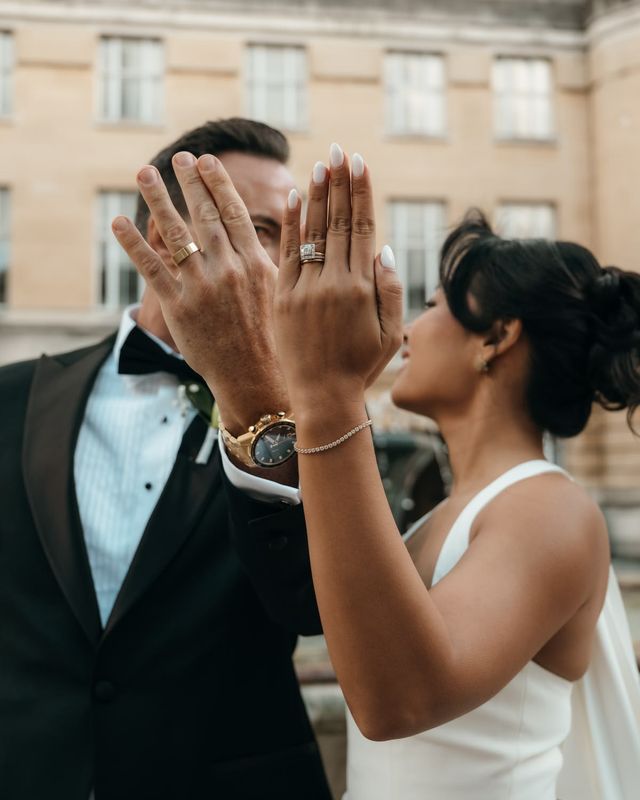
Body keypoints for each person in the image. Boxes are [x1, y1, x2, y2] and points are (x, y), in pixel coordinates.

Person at [265, 147, 638, 798]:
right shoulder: (447, 512)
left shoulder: (549, 509)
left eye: (435, 304)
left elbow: (397, 701)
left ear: (495, 338)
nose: (408, 328)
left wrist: (328, 386)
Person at [0, 119, 332, 800]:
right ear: (163, 239)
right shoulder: (11, 399)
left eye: (288, 239)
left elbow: (311, 606)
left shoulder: (325, 416)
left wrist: (254, 392)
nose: (278, 263)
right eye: (257, 230)